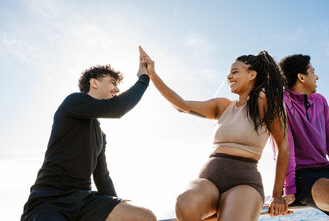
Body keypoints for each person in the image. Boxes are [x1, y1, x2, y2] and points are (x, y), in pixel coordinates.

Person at [139, 46, 290, 220]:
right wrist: (153, 75)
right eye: (228, 73)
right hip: (208, 180)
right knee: (184, 203)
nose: (228, 77)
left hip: (245, 183)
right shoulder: (223, 106)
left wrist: (277, 195)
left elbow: (283, 147)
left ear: (252, 74)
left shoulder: (265, 100)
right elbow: (183, 106)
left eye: (235, 72)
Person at [21, 60, 156, 221]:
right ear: (94, 83)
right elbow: (117, 108)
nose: (117, 89)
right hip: (49, 200)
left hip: (84, 200)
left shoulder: (100, 135)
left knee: (144, 217)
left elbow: (102, 177)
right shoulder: (72, 102)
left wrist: (114, 205)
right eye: (112, 82)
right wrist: (143, 78)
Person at [278, 54, 329, 215]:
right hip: (302, 175)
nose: (317, 77)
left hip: (325, 168)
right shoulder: (282, 103)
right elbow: (285, 150)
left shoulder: (320, 101)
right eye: (313, 72)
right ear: (301, 77)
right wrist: (289, 190)